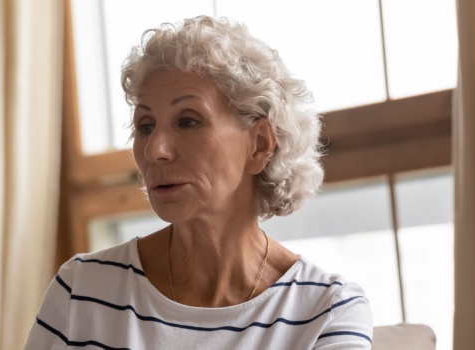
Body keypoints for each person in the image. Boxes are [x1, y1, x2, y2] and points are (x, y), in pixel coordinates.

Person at [25, 16, 372, 349]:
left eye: (188, 122)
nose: (155, 150)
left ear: (260, 145)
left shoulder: (328, 310)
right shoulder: (81, 289)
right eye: (145, 126)